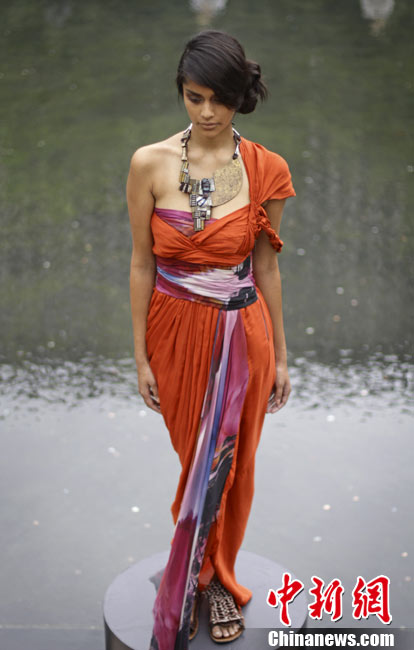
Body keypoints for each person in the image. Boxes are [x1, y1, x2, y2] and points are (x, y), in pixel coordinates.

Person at [126, 29, 296, 650]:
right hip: (172, 331)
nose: (206, 112)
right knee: (193, 460)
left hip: (243, 333)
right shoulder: (149, 163)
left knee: (230, 463)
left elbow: (267, 267)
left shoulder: (266, 168)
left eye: (220, 99)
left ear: (240, 97)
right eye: (194, 97)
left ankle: (214, 578)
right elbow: (141, 263)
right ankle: (199, 568)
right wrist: (140, 355)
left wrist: (282, 356)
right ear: (181, 91)